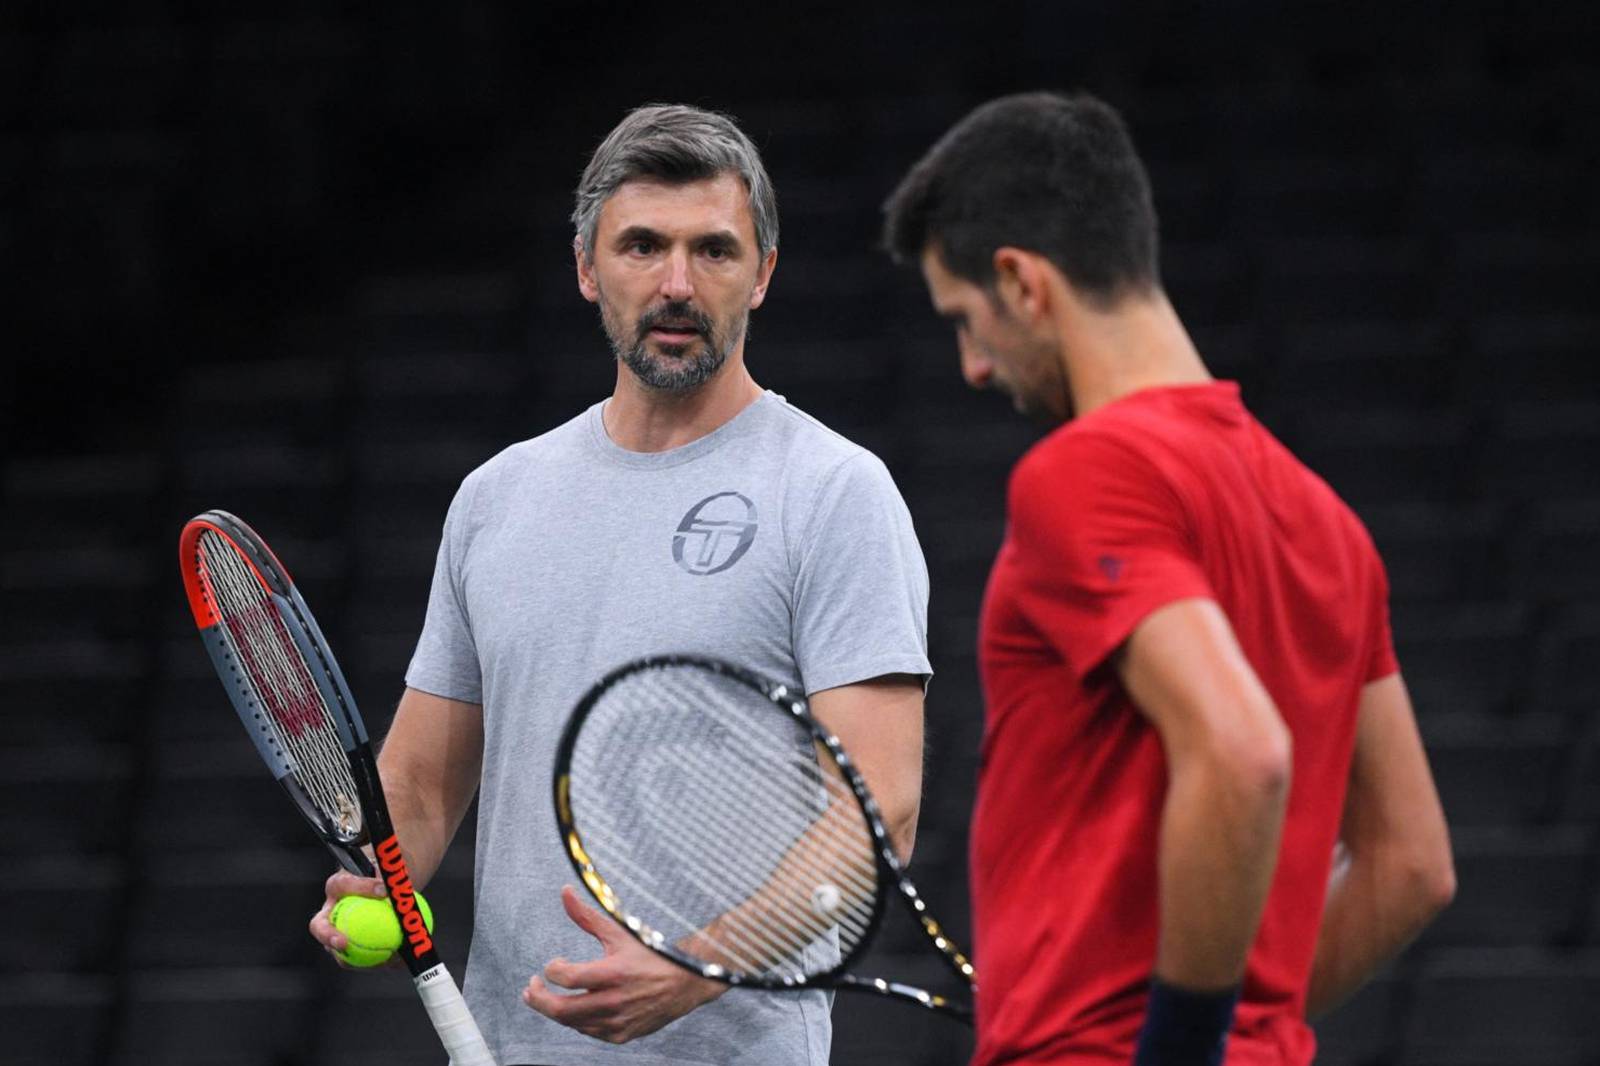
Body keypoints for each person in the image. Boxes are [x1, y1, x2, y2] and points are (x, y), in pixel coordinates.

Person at [309, 103, 932, 1066]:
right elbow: (424, 786)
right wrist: (375, 882)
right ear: (587, 268)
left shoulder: (834, 492)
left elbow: (877, 811)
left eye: (714, 252)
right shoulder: (494, 499)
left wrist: (698, 966)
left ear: (762, 274)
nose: (677, 284)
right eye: (642, 246)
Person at [880, 91, 1456, 1065]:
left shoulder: (1081, 470)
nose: (972, 366)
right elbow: (1410, 865)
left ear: (1022, 282)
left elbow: (1241, 749)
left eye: (964, 319)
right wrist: (1234, 1032)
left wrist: (1176, 1047)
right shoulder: (1329, 521)